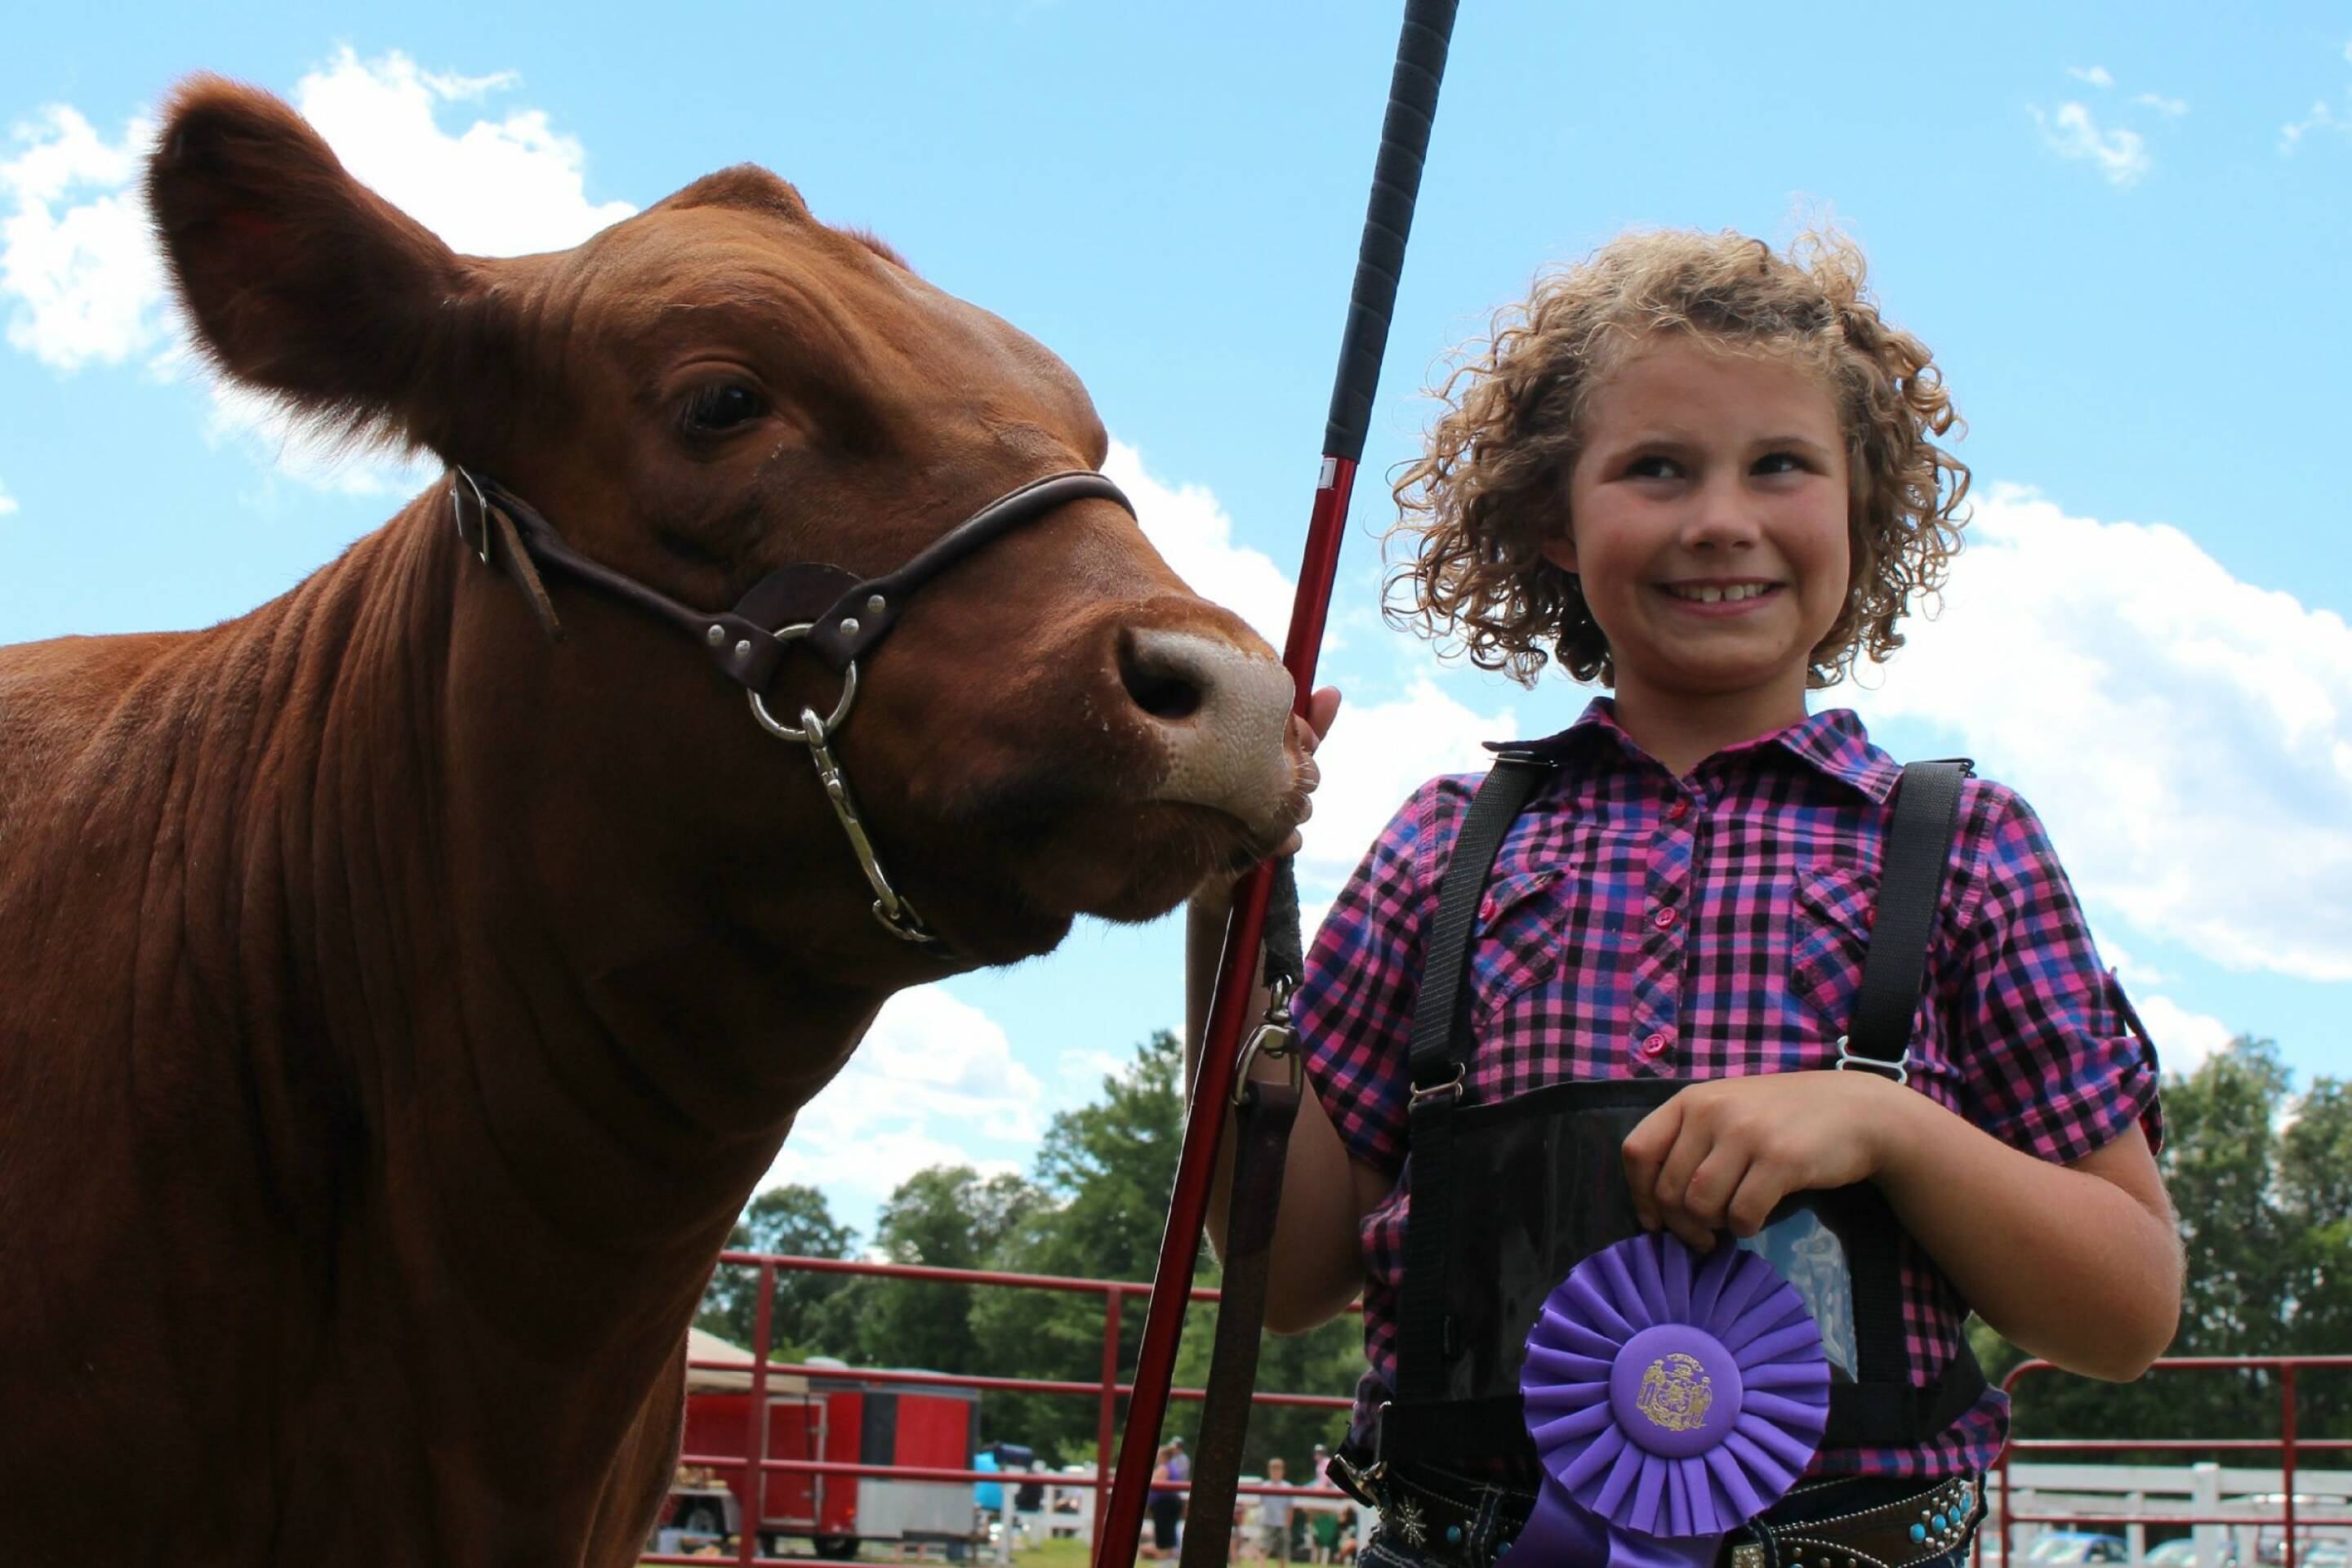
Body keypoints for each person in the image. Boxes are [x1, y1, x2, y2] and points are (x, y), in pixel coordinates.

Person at [1187, 228, 2182, 1566]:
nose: (1721, 519)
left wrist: (1883, 1123)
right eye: (1656, 469)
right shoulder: (1444, 848)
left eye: (1781, 465)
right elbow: (1289, 1278)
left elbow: (2123, 1312)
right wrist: (1221, 876)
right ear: (1554, 514)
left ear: (1861, 504)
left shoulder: (1964, 846)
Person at [1143, 1441, 1183, 1560]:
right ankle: (1168, 1555)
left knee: (1163, 1529)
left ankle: (1163, 1555)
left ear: (1164, 1456)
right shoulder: (1173, 1468)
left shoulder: (1163, 1468)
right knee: (1170, 1528)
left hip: (1164, 1503)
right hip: (1172, 1501)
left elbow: (1155, 1485)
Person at [1258, 1456, 1296, 1563]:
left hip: (1282, 1524)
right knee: (1263, 1550)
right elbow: (1260, 1503)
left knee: (1283, 1554)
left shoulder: (1287, 1486)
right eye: (1273, 1469)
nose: (1275, 1472)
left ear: (1283, 1471)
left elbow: (1290, 1508)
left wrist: (1288, 1524)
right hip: (1267, 1523)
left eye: (1278, 1469)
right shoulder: (1264, 1486)